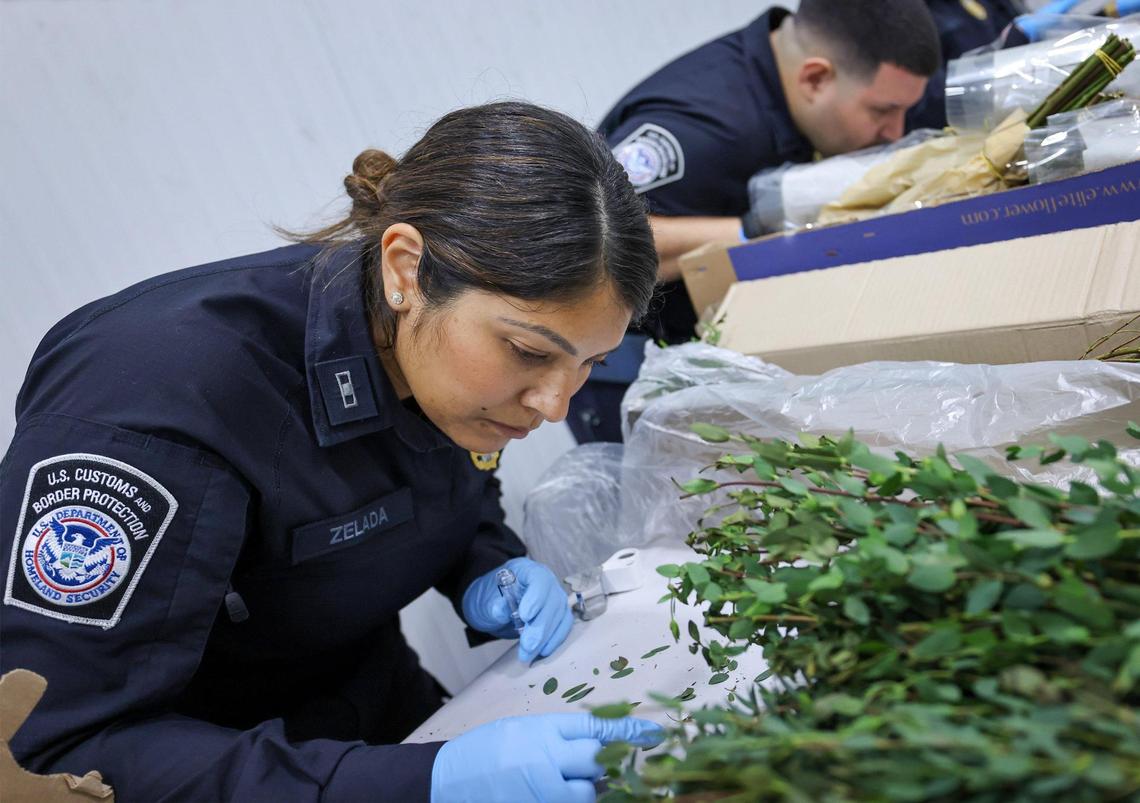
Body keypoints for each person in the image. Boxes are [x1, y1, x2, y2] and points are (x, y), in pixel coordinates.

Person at [0, 102, 664, 802]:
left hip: (370, 701)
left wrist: (486, 565)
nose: (556, 404)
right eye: (529, 351)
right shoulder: (159, 403)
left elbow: (452, 484)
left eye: (589, 362)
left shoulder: (437, 360)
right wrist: (423, 783)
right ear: (406, 267)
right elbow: (57, 745)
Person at [569, 0, 942, 443]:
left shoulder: (787, 77)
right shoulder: (702, 131)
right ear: (815, 78)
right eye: (882, 111)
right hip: (627, 373)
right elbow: (587, 244)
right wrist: (755, 233)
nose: (895, 131)